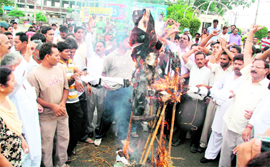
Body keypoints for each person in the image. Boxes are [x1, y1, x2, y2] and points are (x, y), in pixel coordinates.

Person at [218, 25, 269, 167]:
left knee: (243, 160)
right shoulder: (246, 75)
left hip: (247, 130)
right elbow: (247, 53)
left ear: (266, 71)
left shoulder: (267, 87)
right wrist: (251, 33)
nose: (253, 68)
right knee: (225, 157)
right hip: (231, 123)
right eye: (252, 66)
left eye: (257, 67)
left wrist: (254, 117)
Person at [27, 42, 69, 167]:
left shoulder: (60, 68)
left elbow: (66, 88)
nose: (58, 57)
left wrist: (62, 103)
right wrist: (52, 106)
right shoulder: (34, 75)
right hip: (46, 116)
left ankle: (61, 164)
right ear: (47, 56)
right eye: (56, 55)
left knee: (63, 140)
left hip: (62, 112)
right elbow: (34, 98)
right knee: (47, 145)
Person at [1, 44, 42, 166]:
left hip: (32, 130)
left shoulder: (23, 82)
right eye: (19, 66)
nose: (23, 69)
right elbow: (18, 77)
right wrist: (28, 54)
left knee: (35, 159)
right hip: (20, 134)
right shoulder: (11, 86)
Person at [200, 54, 244, 163]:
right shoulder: (228, 75)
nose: (237, 66)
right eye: (235, 64)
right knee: (216, 132)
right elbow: (216, 86)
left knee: (230, 138)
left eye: (240, 64)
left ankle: (225, 160)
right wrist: (216, 96)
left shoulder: (246, 79)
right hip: (221, 108)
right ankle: (210, 155)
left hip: (235, 112)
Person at [96, 33, 136, 145]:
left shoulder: (132, 55)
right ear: (120, 42)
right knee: (108, 114)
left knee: (126, 114)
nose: (130, 43)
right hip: (113, 90)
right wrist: (106, 88)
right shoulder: (110, 57)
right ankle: (100, 135)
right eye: (127, 41)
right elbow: (103, 73)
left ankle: (122, 136)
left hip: (127, 89)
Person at [182, 48, 214, 152]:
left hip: (201, 100)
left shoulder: (210, 72)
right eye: (197, 59)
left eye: (201, 59)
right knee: (184, 119)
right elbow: (184, 56)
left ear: (205, 60)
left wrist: (204, 86)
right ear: (195, 60)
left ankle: (194, 144)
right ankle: (180, 139)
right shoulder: (193, 67)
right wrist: (194, 49)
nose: (199, 61)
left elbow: (212, 86)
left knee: (197, 123)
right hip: (189, 98)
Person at [57, 41, 84, 163]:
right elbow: (63, 84)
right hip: (65, 102)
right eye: (67, 51)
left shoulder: (71, 62)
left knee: (77, 126)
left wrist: (79, 73)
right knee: (65, 129)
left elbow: (77, 70)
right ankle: (65, 153)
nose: (70, 53)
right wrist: (73, 78)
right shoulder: (58, 65)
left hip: (75, 100)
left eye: (70, 51)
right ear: (59, 52)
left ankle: (71, 147)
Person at [0, 66, 29, 167]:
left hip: (15, 158)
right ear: (1, 87)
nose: (15, 82)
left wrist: (21, 138)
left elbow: (14, 126)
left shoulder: (6, 100)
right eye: (12, 80)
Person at [85, 17, 106, 146]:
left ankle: (98, 131)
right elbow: (88, 43)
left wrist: (106, 90)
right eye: (96, 46)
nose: (98, 48)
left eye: (100, 46)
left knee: (101, 111)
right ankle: (89, 131)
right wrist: (89, 29)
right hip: (90, 88)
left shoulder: (107, 59)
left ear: (104, 48)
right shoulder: (91, 56)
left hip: (102, 89)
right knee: (89, 111)